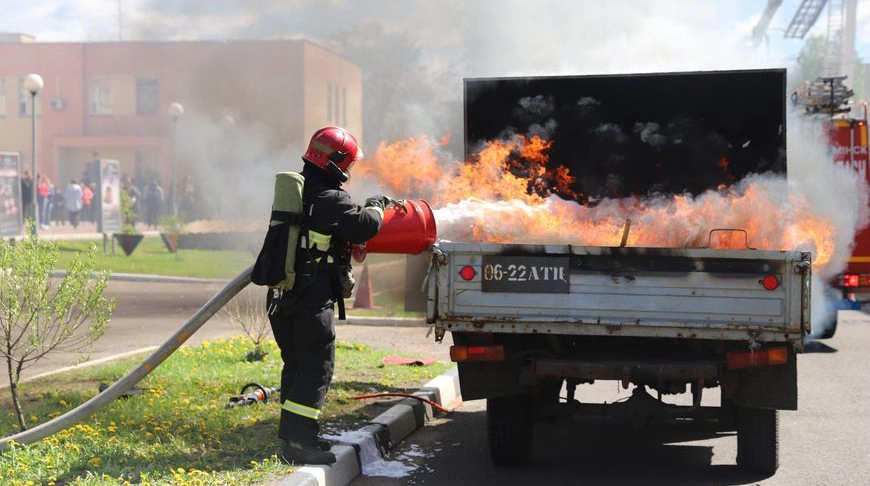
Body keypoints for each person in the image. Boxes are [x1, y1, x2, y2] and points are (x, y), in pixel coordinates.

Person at [266, 126, 392, 465]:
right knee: (317, 368)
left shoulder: (298, 192)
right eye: (347, 164)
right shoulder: (331, 198)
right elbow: (365, 225)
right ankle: (298, 445)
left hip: (281, 298)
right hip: (309, 300)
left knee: (296, 365)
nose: (349, 171)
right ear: (335, 164)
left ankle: (298, 435)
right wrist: (378, 206)